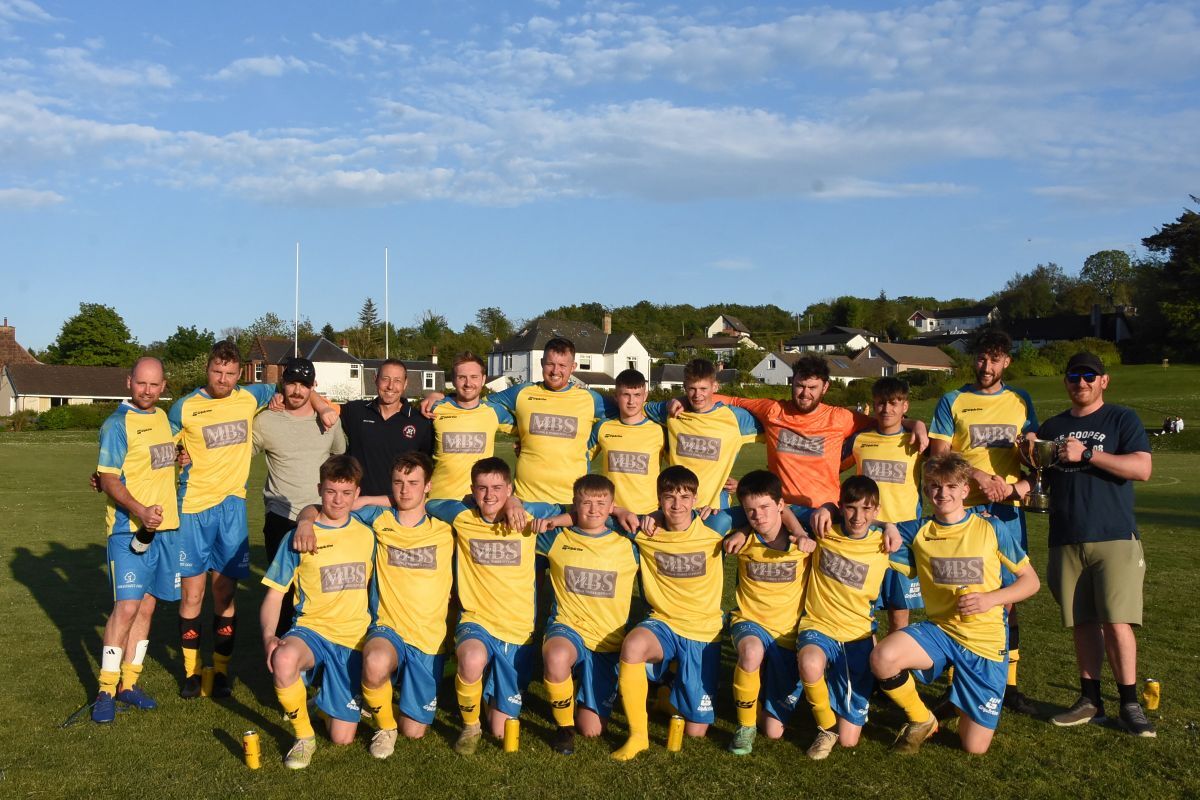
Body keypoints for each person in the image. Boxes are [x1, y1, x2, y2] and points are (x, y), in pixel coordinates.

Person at [872, 453, 1040, 755]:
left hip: (985, 642)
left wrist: (990, 598)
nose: (943, 493)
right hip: (941, 631)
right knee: (883, 657)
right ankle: (923, 719)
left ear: (965, 490)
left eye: (951, 486)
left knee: (974, 747)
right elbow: (862, 523)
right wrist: (888, 525)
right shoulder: (917, 530)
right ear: (926, 491)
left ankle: (958, 700)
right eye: (935, 486)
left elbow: (1031, 582)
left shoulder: (992, 528)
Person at [292, 452, 455, 756]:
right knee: (375, 660)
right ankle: (383, 726)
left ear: (428, 486)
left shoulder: (447, 527)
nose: (405, 490)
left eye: (413, 483)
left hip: (429, 638)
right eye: (398, 482)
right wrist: (304, 522)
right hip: (388, 629)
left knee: (415, 732)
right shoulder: (377, 520)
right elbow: (327, 506)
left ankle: (363, 696)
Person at [1036, 352, 1155, 736]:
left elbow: (1142, 468)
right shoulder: (1053, 426)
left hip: (1113, 536)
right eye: (1074, 375)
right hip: (1065, 537)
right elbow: (1043, 480)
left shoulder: (1121, 418)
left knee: (1116, 621)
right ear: (1066, 381)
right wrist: (1009, 486)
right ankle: (1090, 700)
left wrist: (1087, 453)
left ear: (1104, 381)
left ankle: (1130, 703)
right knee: (1081, 622)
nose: (1081, 382)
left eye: (1089, 375)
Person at [929, 327, 1038, 714]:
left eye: (994, 359)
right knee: (958, 597)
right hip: (962, 510)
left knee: (1007, 598)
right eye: (980, 358)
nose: (986, 366)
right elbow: (939, 457)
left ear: (1006, 361)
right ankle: (956, 686)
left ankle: (1008, 685)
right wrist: (979, 478)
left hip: (1007, 513)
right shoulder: (953, 400)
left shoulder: (1020, 400)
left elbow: (1034, 452)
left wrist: (1017, 485)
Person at [426, 457, 560, 754]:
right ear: (472, 490)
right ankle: (470, 724)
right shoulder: (461, 515)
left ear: (510, 488)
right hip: (477, 619)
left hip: (517, 626)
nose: (489, 495)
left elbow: (568, 511)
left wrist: (516, 502)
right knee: (472, 658)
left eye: (498, 488)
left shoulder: (528, 515)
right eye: (482, 488)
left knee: (501, 730)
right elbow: (429, 504)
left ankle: (488, 691)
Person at [169, 340, 276, 698]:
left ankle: (222, 670)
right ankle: (191, 672)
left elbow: (294, 386)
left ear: (240, 374)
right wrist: (175, 458)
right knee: (193, 593)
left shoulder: (250, 396)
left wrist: (323, 406)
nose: (223, 379)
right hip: (193, 508)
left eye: (230, 373)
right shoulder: (185, 407)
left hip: (232, 508)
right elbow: (157, 447)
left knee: (225, 593)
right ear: (208, 369)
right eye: (218, 371)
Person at [611, 466, 734, 761]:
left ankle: (668, 692)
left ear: (695, 499)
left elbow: (764, 512)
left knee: (696, 731)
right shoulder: (643, 530)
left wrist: (743, 532)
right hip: (663, 622)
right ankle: (638, 737)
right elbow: (588, 510)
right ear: (658, 500)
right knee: (633, 646)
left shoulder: (718, 524)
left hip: (704, 631)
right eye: (669, 497)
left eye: (684, 497)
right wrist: (620, 510)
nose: (677, 505)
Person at [260, 455, 375, 769]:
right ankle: (303, 737)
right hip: (312, 631)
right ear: (319, 490)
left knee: (342, 738)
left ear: (357, 493)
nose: (338, 500)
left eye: (346, 493)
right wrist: (270, 636)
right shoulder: (298, 538)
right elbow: (274, 594)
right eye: (330, 492)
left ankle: (325, 701)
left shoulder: (368, 535)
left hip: (354, 638)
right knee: (283, 658)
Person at [707, 354, 927, 506]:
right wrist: (685, 400)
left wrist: (913, 423)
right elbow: (732, 399)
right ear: (792, 383)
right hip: (783, 510)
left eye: (812, 388)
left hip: (825, 512)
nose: (805, 393)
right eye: (800, 386)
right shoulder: (773, 410)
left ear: (825, 387)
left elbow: (884, 421)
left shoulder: (840, 418)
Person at [91, 357, 182, 722]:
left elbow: (168, 454)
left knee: (147, 607)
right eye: (141, 383)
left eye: (154, 385)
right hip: (129, 530)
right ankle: (105, 689)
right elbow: (110, 479)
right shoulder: (116, 424)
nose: (147, 391)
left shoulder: (163, 419)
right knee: (126, 607)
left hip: (167, 529)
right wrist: (141, 510)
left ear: (163, 387)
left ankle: (130, 684)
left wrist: (181, 457)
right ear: (129, 382)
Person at [425, 337, 611, 504]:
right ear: (541, 363)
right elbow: (476, 401)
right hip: (526, 499)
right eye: (550, 364)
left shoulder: (591, 399)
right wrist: (441, 397)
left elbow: (627, 412)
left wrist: (591, 443)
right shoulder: (521, 392)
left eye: (563, 365)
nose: (555, 371)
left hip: (573, 499)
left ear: (573, 367)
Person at [537, 474, 640, 755]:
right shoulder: (555, 538)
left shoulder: (630, 544)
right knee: (556, 656)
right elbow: (526, 513)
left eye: (601, 503)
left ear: (612, 507)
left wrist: (620, 513)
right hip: (568, 628)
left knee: (593, 729)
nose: (593, 510)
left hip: (607, 641)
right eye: (586, 503)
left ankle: (590, 690)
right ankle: (563, 729)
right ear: (574, 505)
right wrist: (559, 519)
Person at [796, 475, 894, 760]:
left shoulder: (884, 543)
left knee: (850, 741)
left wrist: (890, 526)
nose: (857, 516)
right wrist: (824, 508)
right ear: (841, 507)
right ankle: (826, 728)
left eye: (866, 509)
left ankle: (844, 699)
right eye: (850, 508)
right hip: (819, 625)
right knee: (810, 661)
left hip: (857, 635)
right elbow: (782, 509)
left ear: (876, 511)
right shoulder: (824, 528)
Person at [721, 470, 815, 756]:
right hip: (749, 621)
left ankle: (759, 699)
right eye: (750, 511)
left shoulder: (806, 544)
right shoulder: (743, 540)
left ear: (780, 506)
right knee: (750, 653)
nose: (758, 516)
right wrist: (742, 530)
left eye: (764, 508)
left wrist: (800, 532)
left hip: (788, 632)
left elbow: (838, 512)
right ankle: (744, 726)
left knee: (773, 731)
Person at [252, 356, 346, 636]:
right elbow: (237, 454)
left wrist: (323, 407)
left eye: (304, 385)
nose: (297, 391)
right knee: (281, 592)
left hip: (321, 517)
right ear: (282, 384)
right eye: (291, 383)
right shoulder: (266, 420)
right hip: (281, 518)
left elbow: (339, 456)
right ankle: (280, 655)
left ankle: (316, 651)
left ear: (313, 386)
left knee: (319, 589)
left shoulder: (327, 420)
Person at [847, 376, 924, 632]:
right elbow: (826, 470)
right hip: (866, 532)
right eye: (881, 403)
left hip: (903, 534)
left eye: (894, 403)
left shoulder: (918, 443)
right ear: (874, 404)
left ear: (905, 406)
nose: (886, 409)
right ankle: (864, 666)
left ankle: (895, 669)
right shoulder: (859, 441)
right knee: (860, 607)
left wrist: (919, 425)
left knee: (898, 610)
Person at [648, 358, 762, 509]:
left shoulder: (736, 419)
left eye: (703, 389)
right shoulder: (671, 411)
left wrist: (746, 484)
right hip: (678, 508)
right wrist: (675, 400)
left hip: (714, 509)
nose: (697, 395)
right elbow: (638, 408)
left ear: (715, 386)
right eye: (692, 389)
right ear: (684, 387)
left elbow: (774, 429)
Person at [326, 359, 433, 497]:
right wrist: (322, 408)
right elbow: (321, 406)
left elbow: (427, 466)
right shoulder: (355, 411)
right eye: (385, 379)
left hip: (398, 506)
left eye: (397, 380)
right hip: (357, 505)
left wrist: (438, 395)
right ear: (375, 379)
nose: (390, 386)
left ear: (405, 384)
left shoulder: (420, 421)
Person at [426, 352, 513, 500]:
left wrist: (522, 445)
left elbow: (528, 431)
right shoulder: (435, 409)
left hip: (480, 502)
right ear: (453, 380)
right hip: (439, 501)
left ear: (483, 379)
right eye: (462, 377)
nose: (468, 383)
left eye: (474, 377)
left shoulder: (495, 412)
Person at [588, 369, 666, 514]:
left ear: (645, 396)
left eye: (637, 395)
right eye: (626, 395)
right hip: (610, 513)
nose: (631, 401)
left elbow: (684, 461)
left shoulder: (659, 431)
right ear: (616, 397)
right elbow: (578, 460)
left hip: (648, 515)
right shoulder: (603, 427)